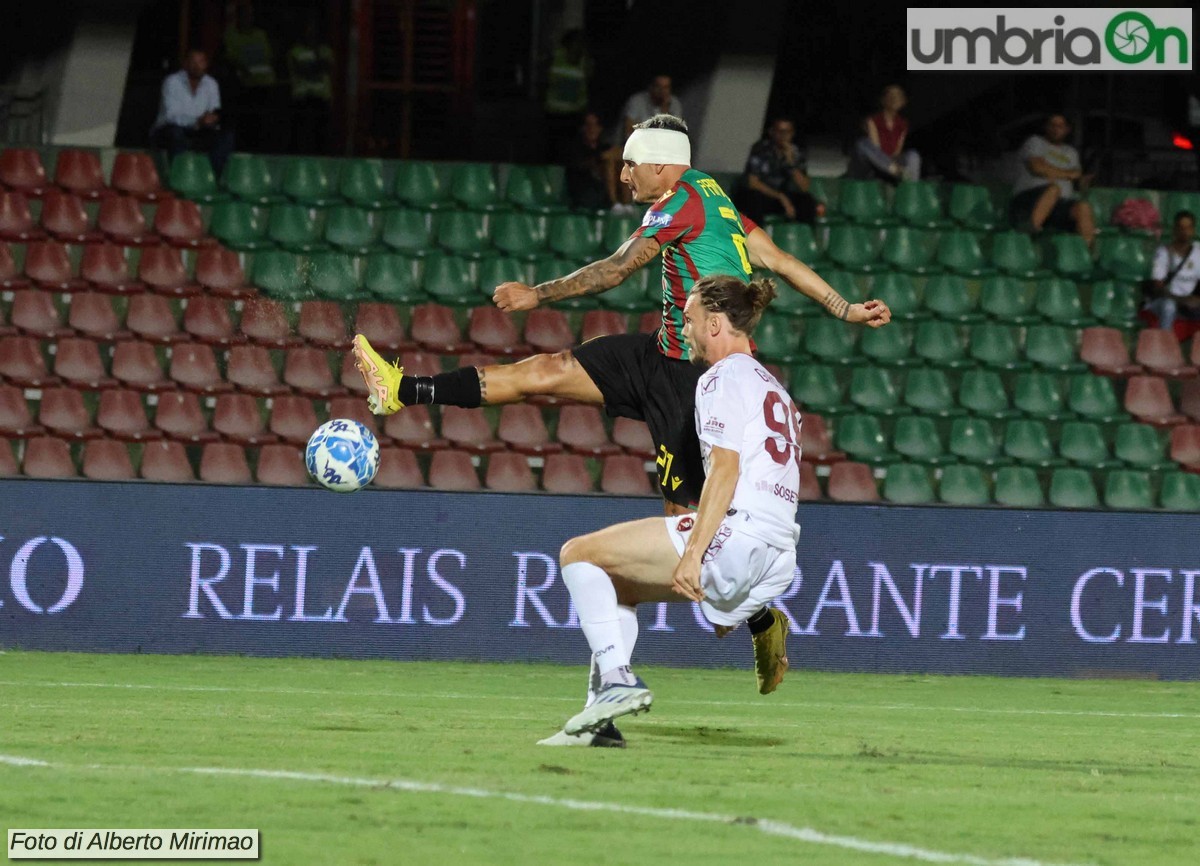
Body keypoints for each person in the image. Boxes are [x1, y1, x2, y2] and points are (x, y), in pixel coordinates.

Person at [551, 273, 801, 742]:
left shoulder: (719, 379)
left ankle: (618, 684)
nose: (681, 329)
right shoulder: (777, 391)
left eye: (687, 320)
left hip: (737, 537)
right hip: (778, 554)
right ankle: (598, 722)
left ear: (714, 324)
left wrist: (694, 553)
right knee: (617, 584)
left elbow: (724, 471)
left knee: (578, 555)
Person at [1008, 114, 1097, 247]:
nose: (1055, 129)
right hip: (1027, 202)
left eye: (1060, 126)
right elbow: (1037, 168)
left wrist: (1083, 183)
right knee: (1053, 189)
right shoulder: (1035, 142)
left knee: (1082, 207)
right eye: (1052, 125)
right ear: (1046, 127)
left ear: (1067, 130)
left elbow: (1077, 180)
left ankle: (1086, 256)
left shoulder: (1071, 153)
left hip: (1057, 207)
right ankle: (1025, 240)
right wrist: (1069, 174)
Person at [151, 48, 235, 177]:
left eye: (201, 62)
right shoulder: (172, 82)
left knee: (226, 136)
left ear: (206, 64)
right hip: (168, 130)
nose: (197, 66)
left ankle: (212, 178)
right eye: (193, 62)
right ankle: (181, 177)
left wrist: (212, 119)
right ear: (185, 64)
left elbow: (214, 110)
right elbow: (171, 116)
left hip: (199, 129)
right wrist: (197, 121)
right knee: (176, 133)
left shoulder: (211, 83)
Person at [734, 117, 817, 225]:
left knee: (807, 201)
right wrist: (780, 197)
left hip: (781, 197)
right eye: (780, 131)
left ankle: (803, 238)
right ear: (772, 132)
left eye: (787, 132)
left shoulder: (796, 153)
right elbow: (752, 182)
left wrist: (791, 164)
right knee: (754, 200)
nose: (783, 136)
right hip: (763, 194)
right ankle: (755, 238)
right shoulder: (761, 149)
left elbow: (804, 187)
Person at [849, 84, 920, 184]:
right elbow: (875, 149)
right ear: (884, 100)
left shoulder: (902, 124)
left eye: (898, 97)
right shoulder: (873, 120)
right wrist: (890, 167)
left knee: (913, 155)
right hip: (872, 167)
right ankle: (895, 171)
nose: (895, 100)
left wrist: (894, 164)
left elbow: (897, 151)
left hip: (891, 167)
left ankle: (911, 189)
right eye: (892, 97)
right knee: (862, 144)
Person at [1143, 210, 1200, 333]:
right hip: (1162, 301)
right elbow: (1158, 288)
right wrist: (1182, 300)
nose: (1184, 231)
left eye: (1188, 228)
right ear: (1174, 230)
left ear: (1193, 230)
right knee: (1169, 306)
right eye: (1180, 227)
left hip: (1188, 305)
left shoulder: (1198, 252)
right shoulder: (1164, 252)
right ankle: (1165, 346)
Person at [286, 15, 334, 154]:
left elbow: (328, 67)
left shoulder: (325, 50)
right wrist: (318, 65)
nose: (311, 33)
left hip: (321, 98)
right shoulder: (296, 51)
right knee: (300, 135)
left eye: (314, 29)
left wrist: (315, 62)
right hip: (302, 99)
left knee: (320, 137)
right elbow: (301, 70)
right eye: (308, 29)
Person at [563, 111, 615, 211]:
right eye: (588, 125)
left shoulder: (604, 147)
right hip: (583, 194)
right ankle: (613, 203)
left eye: (595, 125)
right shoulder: (575, 149)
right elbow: (579, 166)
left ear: (600, 128)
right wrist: (600, 159)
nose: (592, 129)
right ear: (582, 128)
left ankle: (624, 204)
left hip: (601, 193)